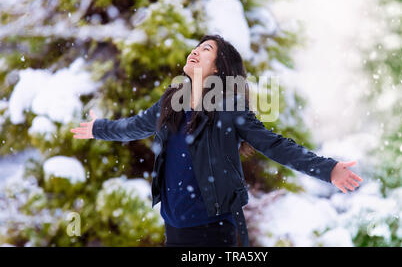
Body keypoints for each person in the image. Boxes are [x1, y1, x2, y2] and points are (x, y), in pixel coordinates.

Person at [70, 34, 363, 247]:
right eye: (196, 46)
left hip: (212, 231)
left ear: (218, 68)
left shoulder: (230, 108)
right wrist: (99, 128)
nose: (195, 51)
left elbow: (275, 145)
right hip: (174, 227)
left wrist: (328, 169)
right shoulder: (171, 102)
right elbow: (135, 126)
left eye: (206, 49)